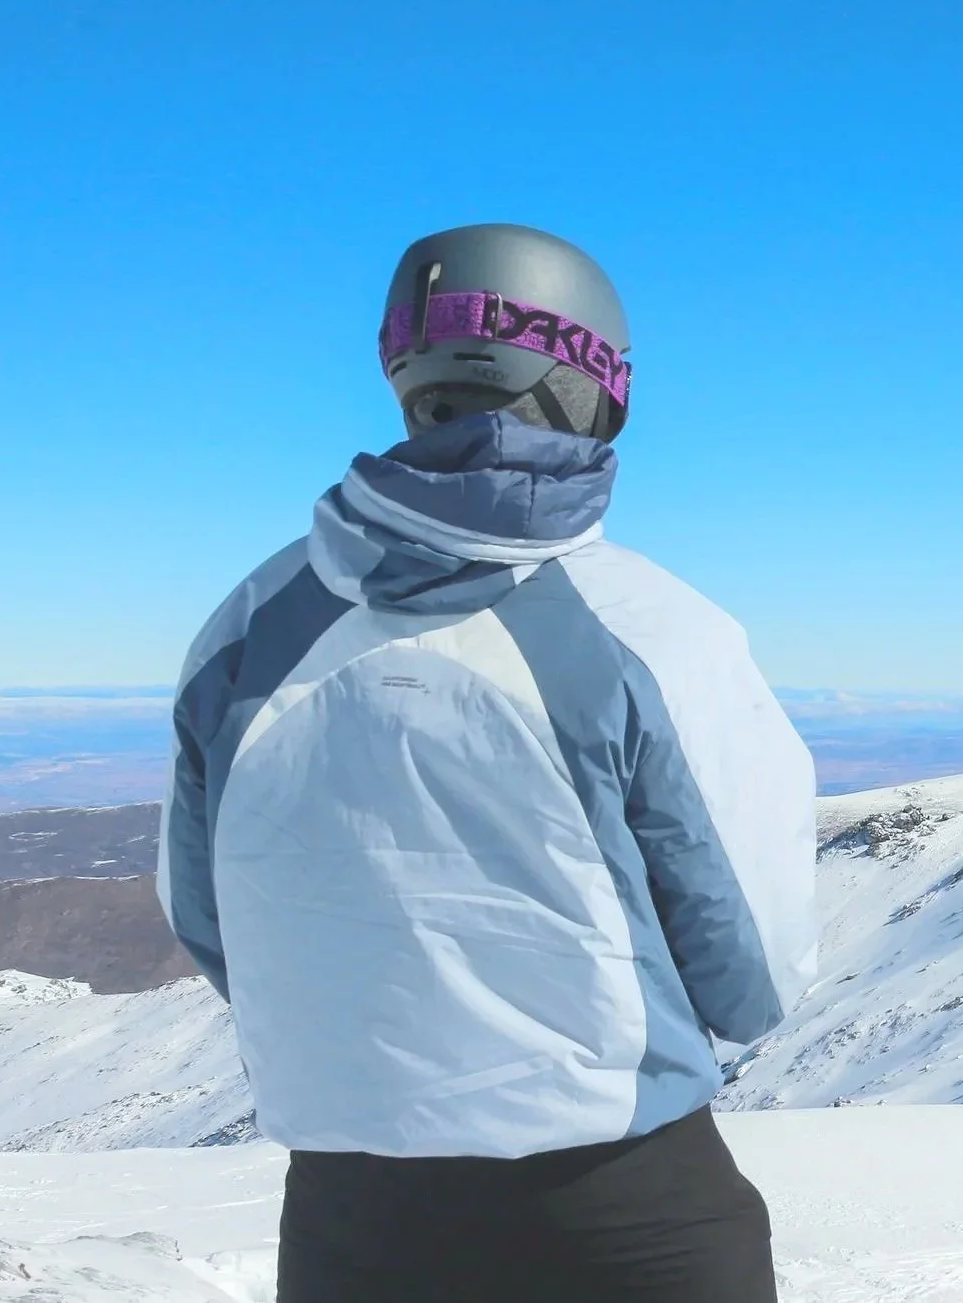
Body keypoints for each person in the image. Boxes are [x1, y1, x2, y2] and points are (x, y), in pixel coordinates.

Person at [159, 223, 818, 1301]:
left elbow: (208, 910)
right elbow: (748, 967)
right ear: (595, 382)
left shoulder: (247, 624)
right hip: (619, 1197)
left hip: (348, 1217)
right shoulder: (650, 628)